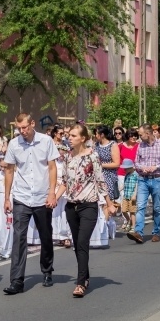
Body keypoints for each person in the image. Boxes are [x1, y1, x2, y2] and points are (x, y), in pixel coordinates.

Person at [2, 113, 59, 294]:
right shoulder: (14, 144)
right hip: (22, 196)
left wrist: (52, 193)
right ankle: (17, 281)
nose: (22, 131)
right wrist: (6, 197)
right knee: (19, 238)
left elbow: (52, 167)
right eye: (19, 128)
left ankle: (47, 270)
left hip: (42, 196)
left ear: (32, 124)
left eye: (25, 127)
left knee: (45, 235)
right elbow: (9, 171)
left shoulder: (45, 141)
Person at [57, 124, 116, 298]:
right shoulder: (68, 157)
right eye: (69, 135)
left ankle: (81, 283)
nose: (69, 137)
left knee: (82, 242)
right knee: (77, 244)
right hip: (71, 205)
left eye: (73, 135)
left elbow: (100, 181)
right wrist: (53, 198)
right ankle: (86, 276)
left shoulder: (93, 156)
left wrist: (109, 203)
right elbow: (65, 182)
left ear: (83, 138)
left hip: (88, 205)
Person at [127, 125, 160, 244]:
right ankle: (139, 233)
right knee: (140, 206)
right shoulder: (140, 146)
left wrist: (156, 167)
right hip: (143, 179)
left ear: (148, 133)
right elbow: (136, 162)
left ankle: (156, 232)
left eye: (141, 135)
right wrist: (143, 168)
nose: (139, 137)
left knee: (157, 207)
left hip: (157, 179)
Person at [94, 125, 121, 201]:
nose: (95, 136)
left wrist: (101, 165)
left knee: (108, 201)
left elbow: (116, 164)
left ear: (102, 134)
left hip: (109, 176)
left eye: (96, 134)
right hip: (97, 176)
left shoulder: (112, 145)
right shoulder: (96, 145)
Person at [117, 128, 140, 196]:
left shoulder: (139, 145)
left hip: (135, 173)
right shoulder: (120, 146)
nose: (134, 137)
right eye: (131, 135)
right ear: (127, 136)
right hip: (122, 173)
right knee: (122, 194)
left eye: (135, 135)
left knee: (134, 195)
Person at [119, 159, 137, 232]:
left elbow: (136, 185)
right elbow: (125, 183)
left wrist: (134, 195)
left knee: (132, 211)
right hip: (126, 195)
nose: (125, 170)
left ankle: (133, 226)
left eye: (126, 168)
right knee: (123, 210)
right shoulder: (127, 175)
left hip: (132, 196)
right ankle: (129, 221)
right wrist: (121, 187)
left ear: (131, 167)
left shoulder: (135, 175)